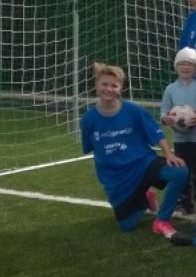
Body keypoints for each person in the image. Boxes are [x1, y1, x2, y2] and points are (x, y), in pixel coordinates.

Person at [80, 63, 188, 237]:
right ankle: (145, 196)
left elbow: (156, 132)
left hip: (143, 164)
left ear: (121, 88)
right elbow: (89, 148)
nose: (109, 89)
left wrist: (169, 154)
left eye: (114, 85)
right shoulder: (88, 119)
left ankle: (162, 220)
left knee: (179, 172)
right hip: (117, 179)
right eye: (104, 84)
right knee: (128, 226)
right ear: (96, 86)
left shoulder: (133, 111)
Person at [159, 47, 196, 213]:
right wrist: (165, 119)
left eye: (190, 64)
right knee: (184, 172)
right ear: (176, 66)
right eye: (182, 63)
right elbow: (163, 111)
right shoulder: (170, 89)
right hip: (180, 140)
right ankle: (186, 203)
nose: (186, 67)